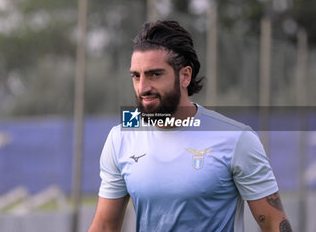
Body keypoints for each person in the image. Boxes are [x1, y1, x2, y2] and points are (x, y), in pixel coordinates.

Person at [88, 20, 292, 232]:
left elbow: (274, 223)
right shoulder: (121, 136)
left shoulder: (236, 138)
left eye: (154, 74)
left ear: (185, 76)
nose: (143, 88)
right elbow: (104, 226)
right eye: (136, 76)